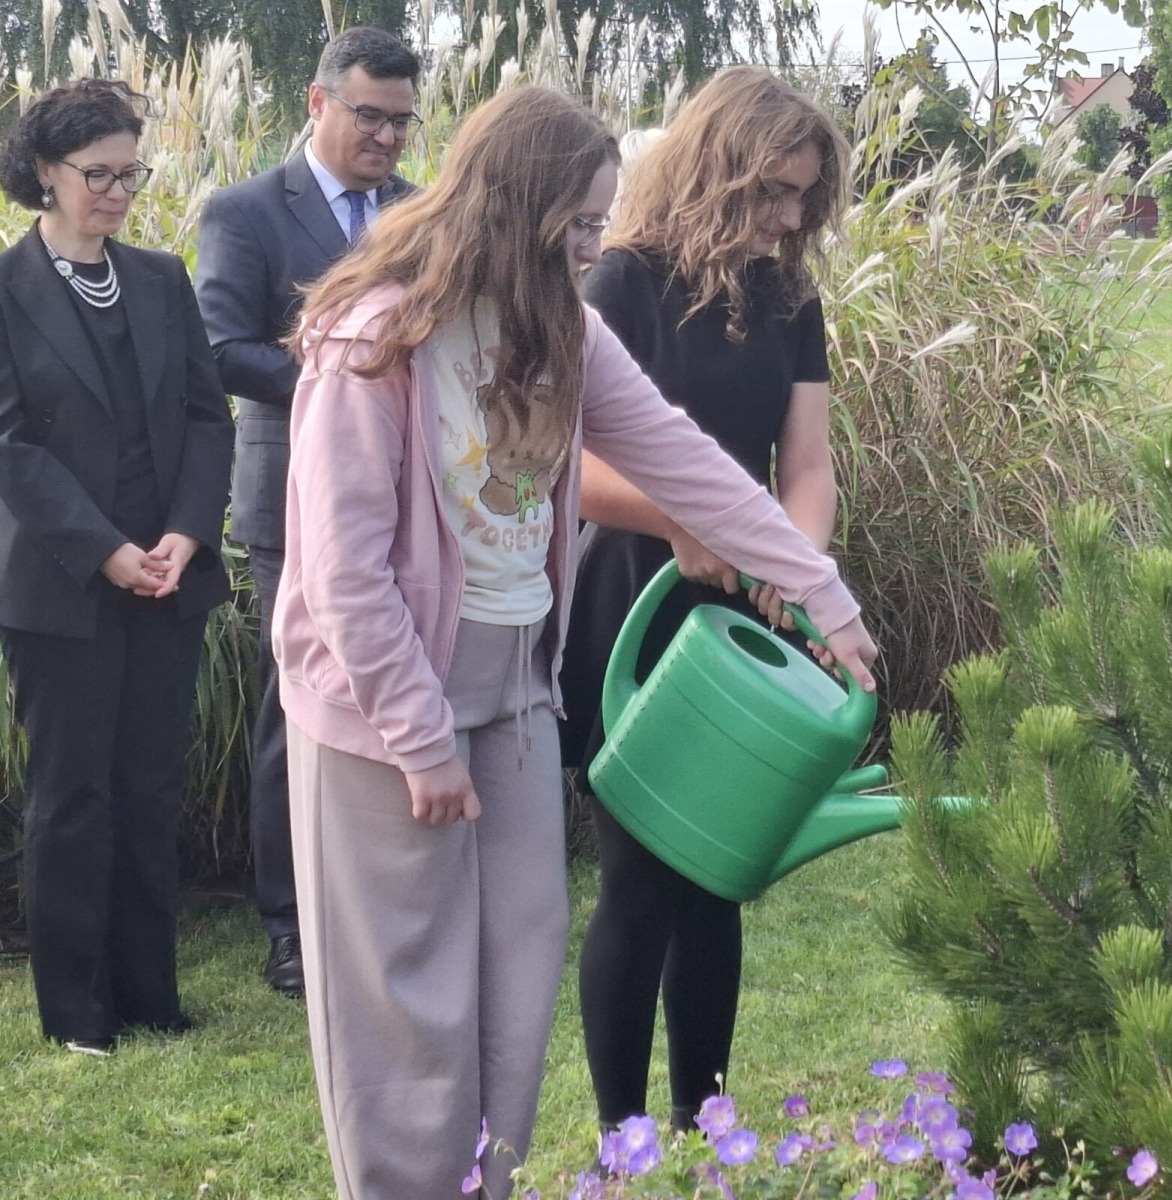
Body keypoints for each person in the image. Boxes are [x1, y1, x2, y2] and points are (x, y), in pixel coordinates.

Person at [276, 85, 877, 1199]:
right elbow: (343, 572)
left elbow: (690, 465)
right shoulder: (376, 338)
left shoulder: (564, 327)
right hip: (383, 707)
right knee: (407, 1004)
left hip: (516, 693)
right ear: (514, 209)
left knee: (516, 981)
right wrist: (418, 739)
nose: (598, 246)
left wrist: (823, 596)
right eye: (581, 225)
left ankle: (483, 1185)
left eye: (601, 222)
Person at [556, 65, 849, 1133]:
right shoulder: (621, 282)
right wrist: (683, 522)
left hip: (746, 615)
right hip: (636, 598)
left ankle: (700, 1127)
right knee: (639, 881)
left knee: (718, 876)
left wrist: (792, 565)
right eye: (772, 191)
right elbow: (568, 464)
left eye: (803, 201)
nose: (786, 218)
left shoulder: (790, 296)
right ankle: (622, 1136)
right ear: (718, 167)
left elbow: (806, 463)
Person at [0, 80, 234, 1055]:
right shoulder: (5, 292)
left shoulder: (160, 276)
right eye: (97, 175)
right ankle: (77, 1015)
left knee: (146, 789)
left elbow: (203, 417)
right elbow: (10, 446)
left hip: (168, 578)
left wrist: (184, 534)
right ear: (44, 173)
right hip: (64, 583)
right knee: (73, 800)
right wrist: (106, 551)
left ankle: (150, 998)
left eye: (130, 173)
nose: (118, 193)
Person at [195, 26, 421, 998]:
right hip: (293, 503)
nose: (386, 138)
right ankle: (291, 926)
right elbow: (218, 348)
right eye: (369, 115)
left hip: (418, 502)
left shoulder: (422, 212)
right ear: (319, 103)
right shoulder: (245, 211)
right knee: (303, 714)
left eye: (403, 122)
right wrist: (348, 372)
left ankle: (386, 907)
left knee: (401, 699)